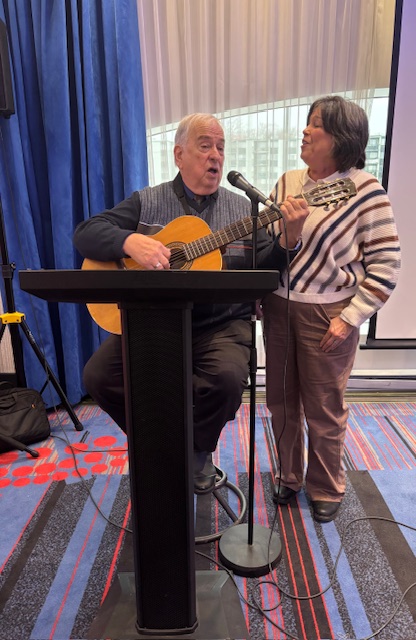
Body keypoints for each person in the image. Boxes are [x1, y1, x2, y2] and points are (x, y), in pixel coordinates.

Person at [73, 112, 308, 493]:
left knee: (226, 379)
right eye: (205, 146)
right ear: (179, 154)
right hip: (154, 321)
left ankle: (196, 451)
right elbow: (86, 233)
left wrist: (288, 240)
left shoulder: (243, 210)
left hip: (221, 324)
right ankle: (163, 441)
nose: (216, 155)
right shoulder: (146, 202)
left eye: (221, 147)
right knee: (99, 376)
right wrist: (129, 241)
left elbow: (266, 268)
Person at [262, 95, 401, 523]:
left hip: (329, 315)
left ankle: (326, 486)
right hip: (278, 307)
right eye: (308, 121)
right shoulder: (287, 182)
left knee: (324, 406)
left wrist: (350, 318)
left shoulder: (365, 190)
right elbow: (266, 248)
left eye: (317, 124)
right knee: (281, 402)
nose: (305, 130)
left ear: (341, 137)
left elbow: (387, 263)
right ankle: (289, 475)